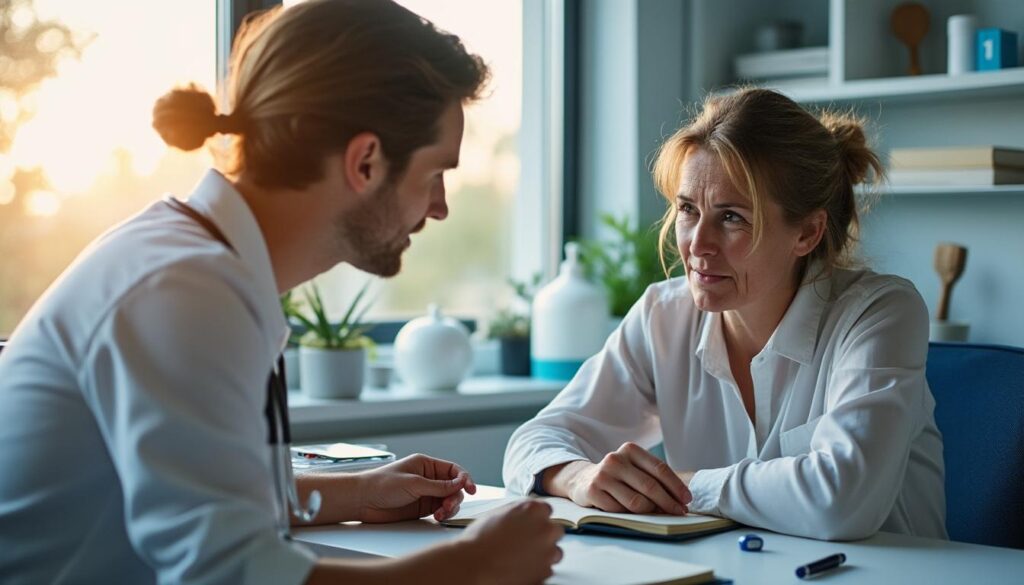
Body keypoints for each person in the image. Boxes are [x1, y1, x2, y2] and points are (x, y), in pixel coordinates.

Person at [0, 1, 562, 583]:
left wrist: (357, 492)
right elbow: (230, 574)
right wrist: (470, 566)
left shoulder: (198, 261)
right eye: (435, 173)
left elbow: (200, 485)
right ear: (365, 161)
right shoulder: (184, 292)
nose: (441, 207)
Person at [503, 88, 948, 542]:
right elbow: (532, 442)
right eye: (688, 210)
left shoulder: (880, 313)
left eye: (732, 217)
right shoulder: (664, 314)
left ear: (808, 233)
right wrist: (577, 477)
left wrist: (679, 485)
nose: (697, 245)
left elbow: (842, 501)